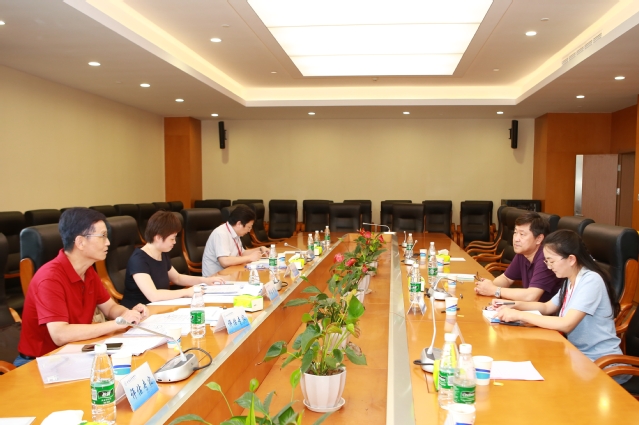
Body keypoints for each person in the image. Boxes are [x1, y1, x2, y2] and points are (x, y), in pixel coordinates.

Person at [16, 208, 149, 366]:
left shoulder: (88, 271)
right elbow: (60, 334)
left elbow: (110, 308)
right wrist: (118, 323)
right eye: (102, 236)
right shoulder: (49, 278)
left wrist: (129, 314)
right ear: (80, 242)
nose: (108, 242)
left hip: (75, 352)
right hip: (40, 362)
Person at [494, 229, 629, 383]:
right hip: (577, 356)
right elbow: (547, 307)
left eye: (551, 261)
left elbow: (566, 324)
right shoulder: (569, 281)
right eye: (546, 262)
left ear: (571, 259)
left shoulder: (591, 280)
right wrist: (513, 305)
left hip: (602, 364)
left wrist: (520, 315)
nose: (549, 267)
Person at [121, 211, 226, 308]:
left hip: (159, 307)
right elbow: (153, 295)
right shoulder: (138, 260)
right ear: (158, 237)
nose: (174, 242)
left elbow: (177, 278)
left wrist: (205, 280)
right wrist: (186, 292)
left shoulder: (162, 253)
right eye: (172, 238)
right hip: (138, 313)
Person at [474, 212, 562, 302]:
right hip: (527, 307)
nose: (516, 239)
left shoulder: (546, 258)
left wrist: (495, 290)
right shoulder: (523, 253)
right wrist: (487, 287)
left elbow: (531, 296)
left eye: (522, 234)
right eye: (515, 233)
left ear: (539, 239)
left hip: (543, 310)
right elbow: (506, 279)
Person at [202, 204, 269, 276]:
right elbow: (224, 261)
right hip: (214, 278)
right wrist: (249, 258)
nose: (249, 230)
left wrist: (260, 249)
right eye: (249, 227)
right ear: (239, 224)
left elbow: (241, 253)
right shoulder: (221, 233)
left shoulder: (234, 232)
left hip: (229, 273)